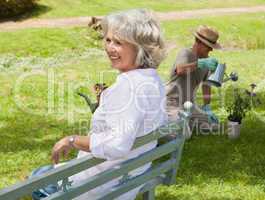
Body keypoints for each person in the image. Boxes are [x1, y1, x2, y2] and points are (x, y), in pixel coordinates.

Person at [30, 9, 167, 200]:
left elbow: (116, 145)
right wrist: (109, 100)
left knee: (37, 178)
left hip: (100, 185)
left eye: (118, 42)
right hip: (132, 173)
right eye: (108, 40)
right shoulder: (153, 80)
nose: (109, 47)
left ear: (140, 48)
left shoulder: (129, 88)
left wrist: (71, 140)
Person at [165, 25, 221, 134]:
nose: (211, 49)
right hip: (172, 103)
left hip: (189, 105)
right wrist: (199, 63)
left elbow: (206, 85)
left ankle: (187, 122)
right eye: (209, 46)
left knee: (213, 126)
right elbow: (180, 69)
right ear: (199, 43)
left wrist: (207, 107)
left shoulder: (206, 61)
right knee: (183, 134)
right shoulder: (185, 53)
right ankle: (178, 123)